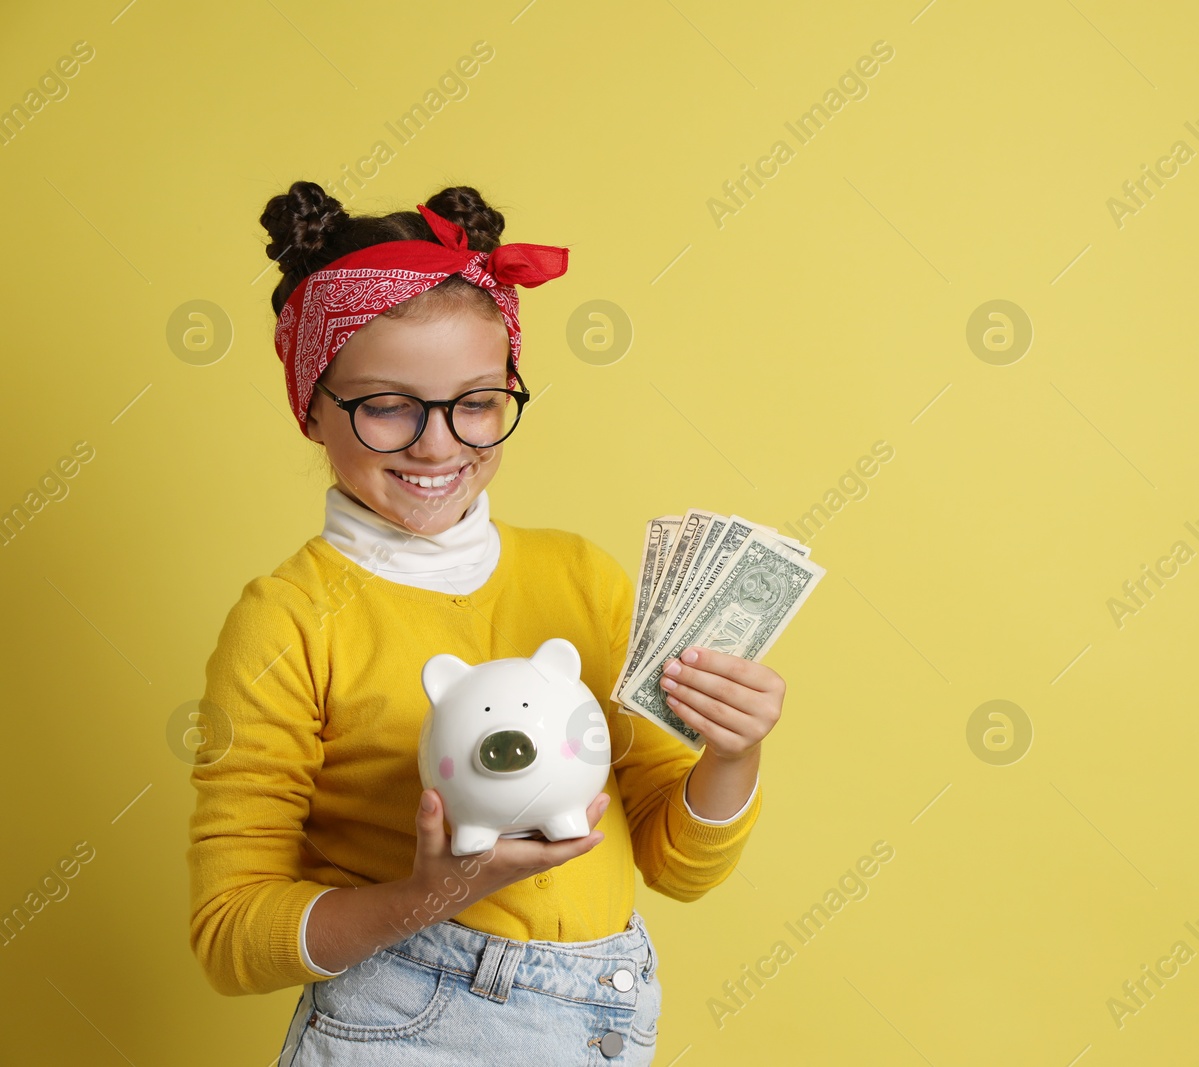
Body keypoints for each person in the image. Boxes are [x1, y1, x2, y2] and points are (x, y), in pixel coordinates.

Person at [185, 181, 785, 1064]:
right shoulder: (288, 622)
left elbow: (679, 864)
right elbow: (230, 932)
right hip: (401, 1020)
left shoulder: (580, 577)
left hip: (604, 1014)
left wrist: (734, 753)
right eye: (386, 405)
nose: (438, 445)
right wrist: (428, 893)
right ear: (311, 406)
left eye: (476, 401)